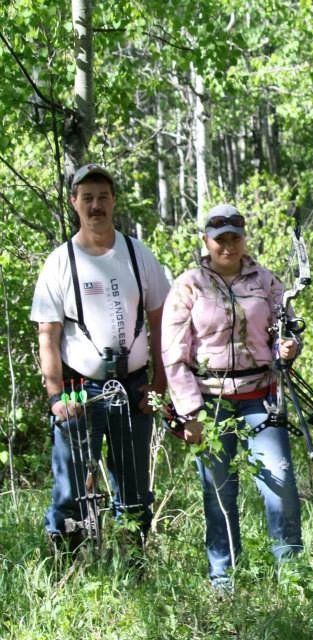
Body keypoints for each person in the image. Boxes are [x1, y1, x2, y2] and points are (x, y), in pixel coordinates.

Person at [162, 203, 303, 591]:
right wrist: (189, 411)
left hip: (261, 395)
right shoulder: (188, 284)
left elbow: (285, 330)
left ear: (244, 239)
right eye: (219, 238)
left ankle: (291, 574)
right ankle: (224, 577)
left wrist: (288, 347)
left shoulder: (266, 281)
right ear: (206, 241)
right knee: (218, 490)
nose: (227, 245)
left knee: (280, 481)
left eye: (234, 237)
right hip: (210, 402)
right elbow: (174, 353)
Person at [31, 163, 169, 554]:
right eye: (87, 198)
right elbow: (48, 333)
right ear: (74, 203)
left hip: (134, 386)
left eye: (103, 197)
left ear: (113, 202)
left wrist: (158, 387)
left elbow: (162, 320)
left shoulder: (137, 253)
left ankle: (134, 564)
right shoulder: (60, 261)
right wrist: (56, 397)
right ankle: (66, 565)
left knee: (134, 485)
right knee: (71, 485)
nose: (96, 206)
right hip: (79, 391)